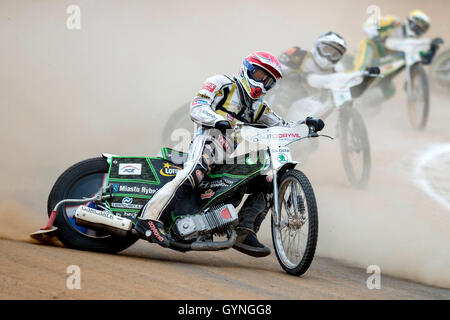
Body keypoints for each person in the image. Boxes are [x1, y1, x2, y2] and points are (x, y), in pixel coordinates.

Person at [134, 51, 324, 257]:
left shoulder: (259, 106)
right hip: (209, 138)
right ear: (247, 70)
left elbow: (282, 126)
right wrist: (217, 120)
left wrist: (307, 124)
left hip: (231, 153)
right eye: (260, 75)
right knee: (194, 172)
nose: (263, 83)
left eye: (269, 80)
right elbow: (197, 106)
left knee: (268, 180)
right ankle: (149, 218)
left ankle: (245, 229)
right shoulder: (221, 83)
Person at [352, 10, 442, 103]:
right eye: (417, 26)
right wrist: (374, 35)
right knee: (362, 70)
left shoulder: (413, 44)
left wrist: (433, 48)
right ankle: (355, 79)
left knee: (390, 91)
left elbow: (425, 60)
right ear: (408, 21)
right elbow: (370, 24)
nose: (418, 30)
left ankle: (364, 105)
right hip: (373, 50)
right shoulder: (394, 23)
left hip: (385, 65)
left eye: (422, 29)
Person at [274, 31, 348, 122]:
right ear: (318, 45)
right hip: (283, 93)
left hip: (311, 105)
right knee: (288, 84)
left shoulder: (335, 72)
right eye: (326, 50)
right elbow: (276, 65)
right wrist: (292, 73)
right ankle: (275, 114)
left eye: (334, 54)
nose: (329, 56)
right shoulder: (298, 52)